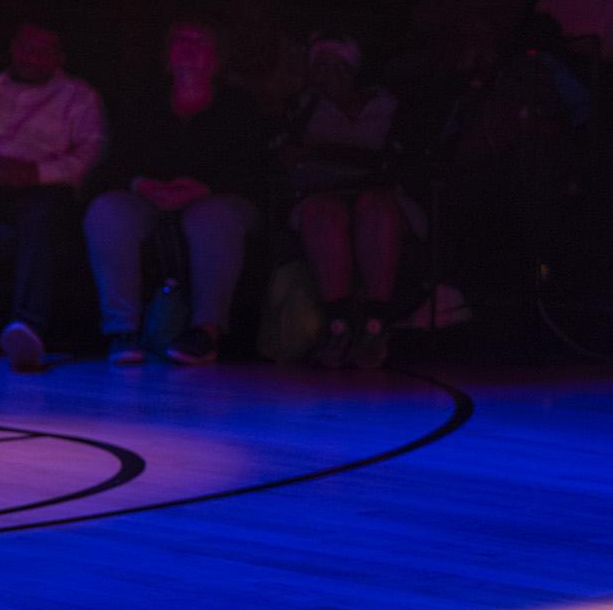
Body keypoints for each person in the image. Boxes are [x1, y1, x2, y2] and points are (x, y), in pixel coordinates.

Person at [83, 20, 264, 365]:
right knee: (107, 212)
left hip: (216, 199)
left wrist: (205, 188)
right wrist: (141, 184)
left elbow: (252, 167)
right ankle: (122, 331)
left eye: (200, 41)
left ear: (217, 57)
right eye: (180, 40)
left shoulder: (239, 107)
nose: (188, 47)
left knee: (212, 218)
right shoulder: (143, 103)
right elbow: (113, 163)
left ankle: (205, 331)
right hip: (150, 198)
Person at [284, 36, 419, 370]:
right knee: (323, 212)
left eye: (336, 67)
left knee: (375, 209)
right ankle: (338, 324)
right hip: (321, 193)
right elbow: (287, 154)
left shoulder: (389, 106)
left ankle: (376, 324)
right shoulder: (304, 107)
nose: (328, 75)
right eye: (321, 68)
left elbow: (397, 159)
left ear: (353, 70)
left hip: (381, 193)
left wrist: (322, 152)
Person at [0, 23, 106, 370]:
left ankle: (27, 326)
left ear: (59, 57)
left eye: (42, 49)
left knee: (41, 217)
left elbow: (87, 156)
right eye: (25, 46)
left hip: (44, 189)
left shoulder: (78, 97)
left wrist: (35, 173)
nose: (31, 56)